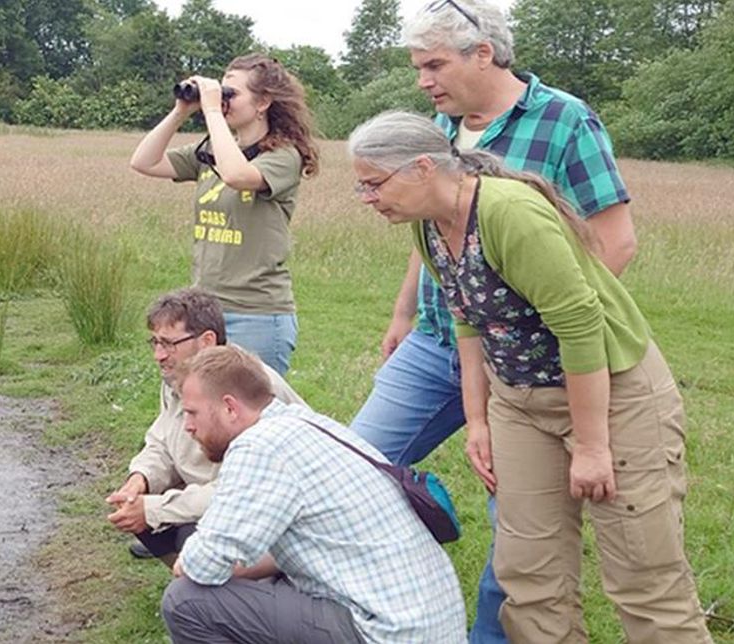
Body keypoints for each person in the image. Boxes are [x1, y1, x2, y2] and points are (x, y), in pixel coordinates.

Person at [349, 110, 713, 643]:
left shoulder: (507, 212)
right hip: (518, 399)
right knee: (529, 575)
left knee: (643, 576)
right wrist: (477, 419)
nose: (367, 198)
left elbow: (581, 323)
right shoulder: (429, 227)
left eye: (373, 184)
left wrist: (591, 446)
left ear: (423, 167)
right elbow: (466, 319)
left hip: (612, 396)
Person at [350, 1, 637, 640]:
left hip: (527, 364)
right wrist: (402, 313)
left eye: (433, 64)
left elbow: (613, 244)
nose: (423, 80)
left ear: (483, 53)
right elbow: (433, 232)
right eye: (418, 67)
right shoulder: (437, 129)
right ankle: (359, 609)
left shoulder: (565, 121)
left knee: (517, 515)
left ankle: (488, 634)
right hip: (438, 339)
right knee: (357, 462)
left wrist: (541, 343)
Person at [161, 345, 467, 643]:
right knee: (263, 580)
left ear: (230, 407)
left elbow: (205, 564)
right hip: (427, 624)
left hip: (382, 631)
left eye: (191, 413)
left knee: (186, 601)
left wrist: (186, 561)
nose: (187, 426)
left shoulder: (258, 445)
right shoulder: (306, 423)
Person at [129, 54, 319, 376]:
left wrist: (213, 110)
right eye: (222, 92)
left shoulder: (284, 156)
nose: (223, 101)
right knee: (203, 415)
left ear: (263, 103)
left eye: (232, 94)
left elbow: (237, 175)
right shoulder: (211, 151)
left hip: (256, 313)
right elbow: (144, 162)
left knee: (248, 419)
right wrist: (180, 112)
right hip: (205, 311)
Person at [105, 288, 304, 567]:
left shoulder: (245, 391)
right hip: (210, 492)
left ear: (207, 341)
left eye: (169, 344)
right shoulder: (181, 379)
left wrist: (155, 509)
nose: (158, 356)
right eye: (155, 343)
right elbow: (161, 441)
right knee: (137, 505)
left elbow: (240, 489)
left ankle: (219, 589)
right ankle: (190, 577)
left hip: (261, 510)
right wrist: (141, 478)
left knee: (169, 523)